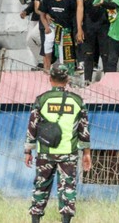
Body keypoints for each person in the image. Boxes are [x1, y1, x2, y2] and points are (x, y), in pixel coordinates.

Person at [24, 63, 91, 223]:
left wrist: (28, 151)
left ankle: (35, 220)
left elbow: (32, 126)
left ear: (50, 79)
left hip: (45, 151)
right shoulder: (77, 101)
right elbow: (84, 130)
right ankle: (66, 220)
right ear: (68, 79)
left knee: (41, 186)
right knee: (68, 189)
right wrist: (87, 153)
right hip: (69, 152)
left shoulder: (42, 99)